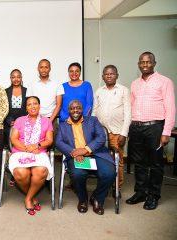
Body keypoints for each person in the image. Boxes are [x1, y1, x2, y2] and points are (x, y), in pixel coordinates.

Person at [126, 52, 175, 210]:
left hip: (155, 127)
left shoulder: (165, 82)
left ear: (154, 63)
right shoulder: (134, 83)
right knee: (139, 163)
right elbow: (131, 107)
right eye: (142, 62)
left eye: (148, 62)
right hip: (136, 127)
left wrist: (166, 131)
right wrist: (128, 130)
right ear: (138, 64)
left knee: (155, 164)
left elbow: (171, 108)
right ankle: (140, 192)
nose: (145, 64)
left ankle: (153, 195)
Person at [56, 100, 116, 215]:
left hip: (96, 154)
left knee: (109, 173)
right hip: (75, 157)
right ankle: (83, 199)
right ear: (68, 111)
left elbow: (101, 137)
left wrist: (85, 149)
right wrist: (74, 152)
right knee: (78, 174)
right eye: (72, 108)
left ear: (82, 110)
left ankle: (97, 198)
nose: (75, 110)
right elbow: (58, 142)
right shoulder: (63, 125)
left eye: (78, 108)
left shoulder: (92, 120)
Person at [9, 96, 54, 215]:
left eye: (35, 104)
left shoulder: (47, 121)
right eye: (29, 104)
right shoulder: (19, 120)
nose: (32, 106)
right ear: (26, 108)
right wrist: (26, 148)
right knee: (20, 173)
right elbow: (14, 139)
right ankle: (32, 197)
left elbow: (49, 140)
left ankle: (28, 198)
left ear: (39, 106)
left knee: (41, 171)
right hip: (20, 150)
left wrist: (37, 145)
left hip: (39, 151)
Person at [92, 65, 131, 196]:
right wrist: (92, 128)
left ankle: (116, 187)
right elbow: (95, 110)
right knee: (102, 159)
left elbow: (128, 113)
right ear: (103, 76)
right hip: (101, 132)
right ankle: (105, 183)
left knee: (117, 160)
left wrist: (124, 133)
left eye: (111, 74)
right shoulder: (98, 91)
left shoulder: (124, 90)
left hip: (117, 132)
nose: (109, 76)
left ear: (117, 75)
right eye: (106, 74)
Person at [4, 69, 27, 149]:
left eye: (18, 77)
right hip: (9, 121)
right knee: (9, 142)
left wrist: (21, 121)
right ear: (10, 78)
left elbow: (29, 108)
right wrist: (9, 121)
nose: (16, 79)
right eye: (13, 77)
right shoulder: (5, 92)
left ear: (21, 78)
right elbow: (3, 109)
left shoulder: (27, 91)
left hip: (24, 121)